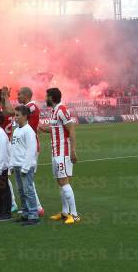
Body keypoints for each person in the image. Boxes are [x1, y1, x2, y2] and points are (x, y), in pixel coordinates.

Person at [39, 88, 81, 225]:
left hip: (63, 152)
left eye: (46, 96)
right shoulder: (54, 111)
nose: (45, 99)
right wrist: (40, 128)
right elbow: (55, 129)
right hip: (56, 152)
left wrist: (73, 150)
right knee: (60, 182)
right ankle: (64, 212)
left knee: (64, 181)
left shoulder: (62, 110)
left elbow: (72, 129)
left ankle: (74, 215)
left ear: (51, 97)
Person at [16, 86, 45, 217]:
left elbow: (11, 111)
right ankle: (29, 208)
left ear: (26, 95)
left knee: (28, 180)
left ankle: (36, 208)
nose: (17, 97)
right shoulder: (28, 108)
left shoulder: (31, 106)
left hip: (30, 147)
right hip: (24, 147)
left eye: (19, 94)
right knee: (25, 182)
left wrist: (4, 98)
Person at [10, 105, 40, 226]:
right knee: (21, 191)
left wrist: (26, 167)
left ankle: (34, 215)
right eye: (15, 115)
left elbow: (31, 150)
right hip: (17, 165)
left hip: (25, 167)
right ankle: (25, 213)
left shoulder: (28, 131)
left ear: (25, 116)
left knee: (28, 191)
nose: (15, 118)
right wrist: (12, 164)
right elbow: (14, 149)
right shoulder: (16, 130)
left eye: (17, 115)